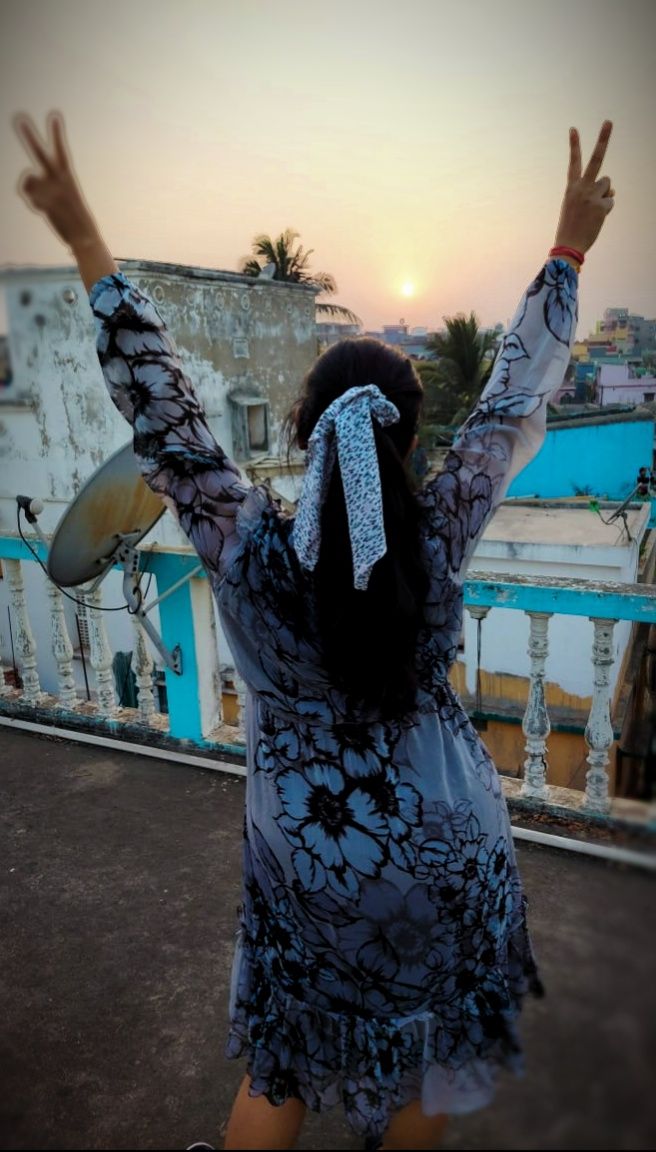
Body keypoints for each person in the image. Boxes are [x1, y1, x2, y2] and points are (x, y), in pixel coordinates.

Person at [14, 111, 615, 1152]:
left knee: (281, 1060)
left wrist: (83, 238)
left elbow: (166, 419)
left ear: (304, 430)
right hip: (446, 849)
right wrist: (566, 248)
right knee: (421, 1060)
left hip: (311, 865)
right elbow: (510, 400)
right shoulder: (435, 534)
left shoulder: (247, 549)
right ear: (409, 438)